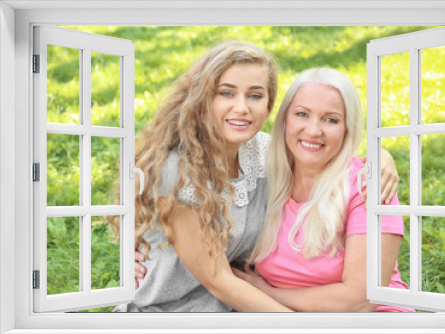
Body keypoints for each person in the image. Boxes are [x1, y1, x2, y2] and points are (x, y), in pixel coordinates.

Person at [126, 41, 400, 312]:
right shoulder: (177, 171)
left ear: (269, 106)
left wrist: (380, 159)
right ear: (202, 98)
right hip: (170, 311)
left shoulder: (264, 153)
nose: (242, 107)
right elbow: (218, 280)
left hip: (240, 309)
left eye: (255, 95)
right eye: (226, 93)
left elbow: (323, 150)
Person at [232, 68, 414, 312]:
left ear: (347, 128)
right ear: (285, 119)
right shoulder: (267, 177)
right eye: (302, 114)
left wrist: (265, 293)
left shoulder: (368, 186)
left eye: (331, 120)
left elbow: (360, 301)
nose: (313, 130)